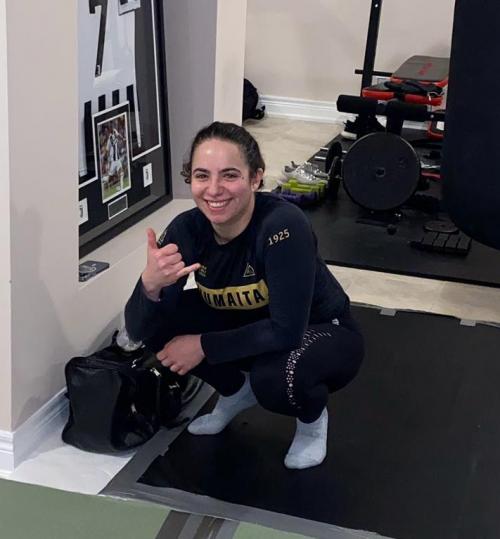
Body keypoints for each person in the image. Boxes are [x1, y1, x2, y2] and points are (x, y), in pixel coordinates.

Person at [125, 121, 364, 469]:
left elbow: (286, 331)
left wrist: (202, 345)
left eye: (230, 175)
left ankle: (312, 422)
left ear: (255, 178)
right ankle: (236, 392)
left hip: (321, 330)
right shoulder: (186, 229)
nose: (214, 189)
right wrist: (150, 284)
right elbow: (137, 330)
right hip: (250, 326)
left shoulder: (283, 225)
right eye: (202, 175)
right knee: (158, 317)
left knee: (274, 378)